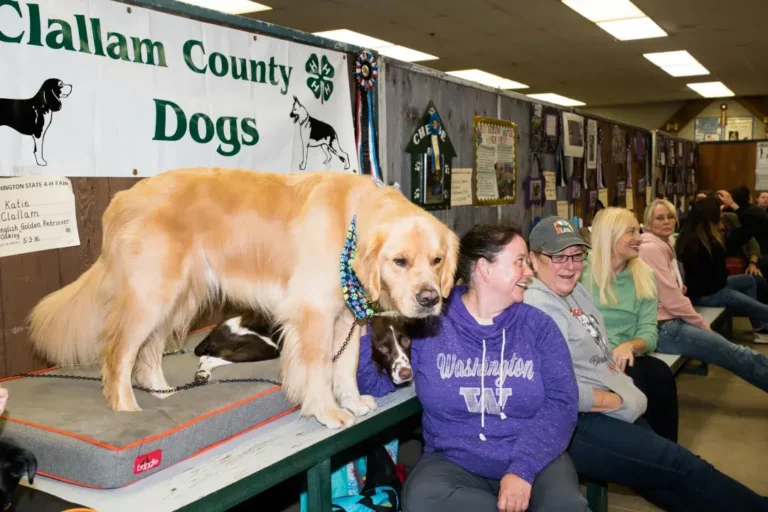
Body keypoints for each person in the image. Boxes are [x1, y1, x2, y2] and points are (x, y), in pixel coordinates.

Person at [524, 215, 768, 512]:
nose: (571, 265)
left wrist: (621, 388)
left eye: (576, 255)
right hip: (575, 423)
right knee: (681, 466)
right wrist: (613, 401)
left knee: (666, 477)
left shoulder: (573, 291)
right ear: (533, 260)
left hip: (611, 398)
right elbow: (547, 389)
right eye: (558, 256)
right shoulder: (536, 307)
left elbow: (606, 345)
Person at [357, 224, 588, 512]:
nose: (529, 271)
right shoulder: (430, 324)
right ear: (484, 268)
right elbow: (375, 385)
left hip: (536, 457)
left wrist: (522, 469)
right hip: (454, 460)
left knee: (565, 506)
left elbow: (563, 403)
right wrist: (362, 325)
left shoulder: (539, 327)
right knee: (421, 501)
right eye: (519, 262)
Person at [640, 199, 768, 392]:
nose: (666, 221)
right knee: (740, 355)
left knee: (742, 354)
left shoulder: (663, 245)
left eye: (670, 217)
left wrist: (677, 289)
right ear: (648, 223)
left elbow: (669, 290)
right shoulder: (650, 248)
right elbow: (672, 299)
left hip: (671, 320)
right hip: (664, 328)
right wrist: (700, 322)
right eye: (659, 218)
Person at [578, 207, 679, 442]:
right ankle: (650, 452)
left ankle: (667, 451)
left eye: (639, 231)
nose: (639, 238)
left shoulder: (644, 275)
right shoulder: (580, 271)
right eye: (631, 232)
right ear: (610, 235)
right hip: (588, 358)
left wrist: (631, 345)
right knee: (633, 379)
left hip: (626, 356)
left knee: (660, 374)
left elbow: (648, 333)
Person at [676, 195, 768, 341]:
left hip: (712, 288)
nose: (723, 214)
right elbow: (715, 278)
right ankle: (762, 327)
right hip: (708, 295)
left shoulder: (700, 236)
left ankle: (760, 329)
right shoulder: (700, 243)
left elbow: (754, 225)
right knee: (764, 310)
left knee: (749, 279)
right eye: (720, 211)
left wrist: (733, 204)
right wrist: (732, 204)